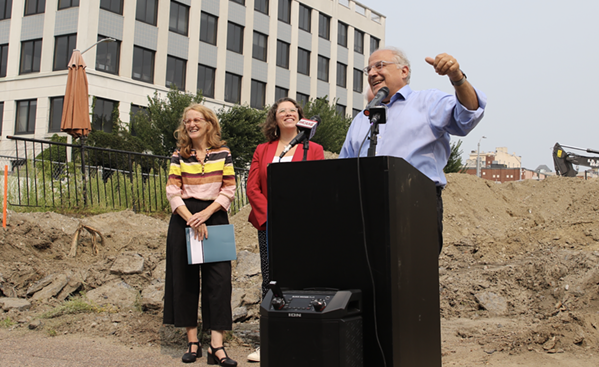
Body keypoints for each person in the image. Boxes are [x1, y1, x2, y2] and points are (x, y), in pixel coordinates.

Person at [339, 47, 487, 253]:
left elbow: (468, 114)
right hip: (365, 209)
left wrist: (457, 77)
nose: (372, 73)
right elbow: (343, 167)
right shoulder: (361, 119)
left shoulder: (427, 102)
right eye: (369, 69)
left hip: (415, 203)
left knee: (413, 277)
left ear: (404, 71)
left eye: (380, 66)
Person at [245, 97, 325, 362]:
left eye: (294, 110)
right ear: (275, 118)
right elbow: (253, 187)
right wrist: (270, 217)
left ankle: (302, 340)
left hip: (302, 227)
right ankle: (269, 342)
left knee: (303, 282)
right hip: (270, 226)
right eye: (283, 111)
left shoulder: (314, 149)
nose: (289, 113)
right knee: (271, 281)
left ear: (301, 118)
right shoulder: (263, 149)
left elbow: (316, 185)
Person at [163, 104, 238, 366]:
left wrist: (205, 215)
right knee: (185, 281)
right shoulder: (178, 155)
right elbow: (173, 191)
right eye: (187, 121)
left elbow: (229, 189)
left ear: (209, 123)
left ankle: (216, 346)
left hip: (214, 216)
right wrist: (191, 219)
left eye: (197, 120)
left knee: (219, 282)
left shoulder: (223, 153)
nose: (191, 124)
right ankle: (193, 342)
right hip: (184, 217)